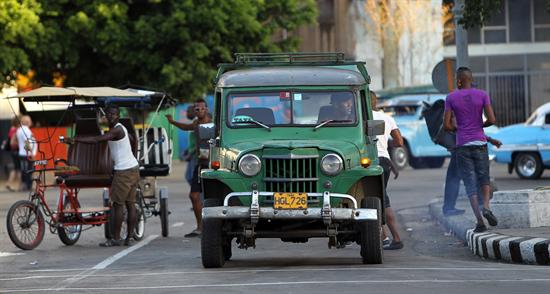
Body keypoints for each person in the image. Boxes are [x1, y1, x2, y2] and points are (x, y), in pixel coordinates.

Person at [72, 105, 140, 247]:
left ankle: (116, 238)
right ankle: (128, 237)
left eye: (113, 114)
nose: (110, 116)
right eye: (108, 114)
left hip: (124, 171)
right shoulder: (121, 128)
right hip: (133, 168)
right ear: (105, 116)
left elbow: (98, 140)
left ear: (118, 116)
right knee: (130, 203)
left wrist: (76, 139)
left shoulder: (117, 129)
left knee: (118, 205)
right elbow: (129, 140)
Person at [444, 67, 498, 233]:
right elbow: (492, 119)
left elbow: (446, 125)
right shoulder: (482, 95)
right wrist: (479, 126)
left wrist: (457, 129)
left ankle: (480, 221)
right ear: (471, 79)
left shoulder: (451, 97)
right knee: (484, 178)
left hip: (463, 146)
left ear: (459, 81)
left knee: (470, 185)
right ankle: (487, 206)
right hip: (480, 143)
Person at [166, 98, 212, 237]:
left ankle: (214, 227)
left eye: (202, 108)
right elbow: (187, 128)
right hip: (200, 164)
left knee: (214, 197)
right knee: (194, 195)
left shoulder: (214, 124)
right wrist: (173, 122)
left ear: (207, 109)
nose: (199, 111)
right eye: (197, 109)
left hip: (213, 165)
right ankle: (200, 227)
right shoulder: (196, 123)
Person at [371, 91, 404, 250]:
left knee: (377, 200)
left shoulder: (365, 117)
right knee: (381, 198)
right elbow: (399, 141)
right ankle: (383, 237)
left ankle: (394, 238)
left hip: (370, 162)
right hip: (384, 161)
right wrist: (386, 147)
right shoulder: (387, 118)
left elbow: (371, 143)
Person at [15, 115, 37, 191]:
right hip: (27, 154)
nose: (30, 122)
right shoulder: (26, 130)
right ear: (27, 121)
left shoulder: (19, 130)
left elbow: (17, 141)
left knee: (24, 169)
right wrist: (31, 153)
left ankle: (25, 184)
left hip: (21, 153)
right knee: (29, 170)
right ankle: (28, 186)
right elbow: (27, 142)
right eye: (30, 120)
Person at [4, 116, 21, 191]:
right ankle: (20, 186)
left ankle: (9, 183)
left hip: (13, 151)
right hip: (17, 150)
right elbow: (13, 141)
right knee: (19, 169)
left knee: (15, 168)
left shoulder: (11, 129)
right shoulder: (16, 130)